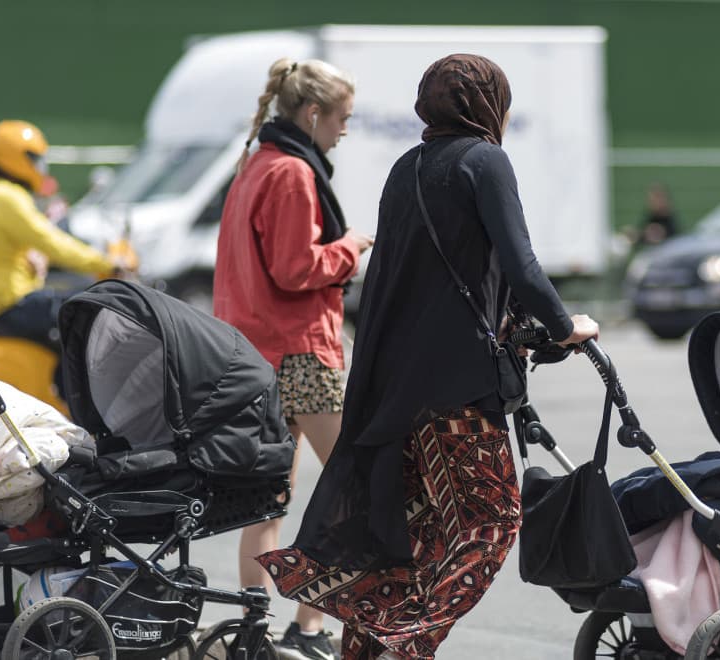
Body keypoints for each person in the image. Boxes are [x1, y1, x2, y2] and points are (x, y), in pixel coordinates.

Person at [255, 54, 600, 659]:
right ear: (488, 105)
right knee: (492, 523)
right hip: (457, 393)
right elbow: (521, 265)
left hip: (395, 394)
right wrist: (567, 326)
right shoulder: (485, 161)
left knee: (406, 541)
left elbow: (400, 281)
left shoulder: (405, 168)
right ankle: (404, 643)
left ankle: (364, 651)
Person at [212, 57, 374, 660]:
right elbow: (296, 267)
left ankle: (254, 628)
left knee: (270, 497)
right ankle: (307, 629)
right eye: (342, 119)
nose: (345, 131)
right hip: (300, 352)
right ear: (312, 113)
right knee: (354, 489)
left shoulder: (255, 165)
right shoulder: (292, 174)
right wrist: (349, 247)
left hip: (252, 353)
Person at [0, 120, 123, 346]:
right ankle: (72, 381)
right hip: (6, 304)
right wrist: (106, 263)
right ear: (19, 158)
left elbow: (0, 249)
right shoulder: (7, 197)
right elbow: (51, 242)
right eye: (36, 160)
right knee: (86, 309)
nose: (40, 168)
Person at [636, 182, 680, 246]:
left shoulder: (669, 220)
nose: (654, 201)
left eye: (658, 197)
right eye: (652, 199)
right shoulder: (651, 217)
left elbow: (663, 234)